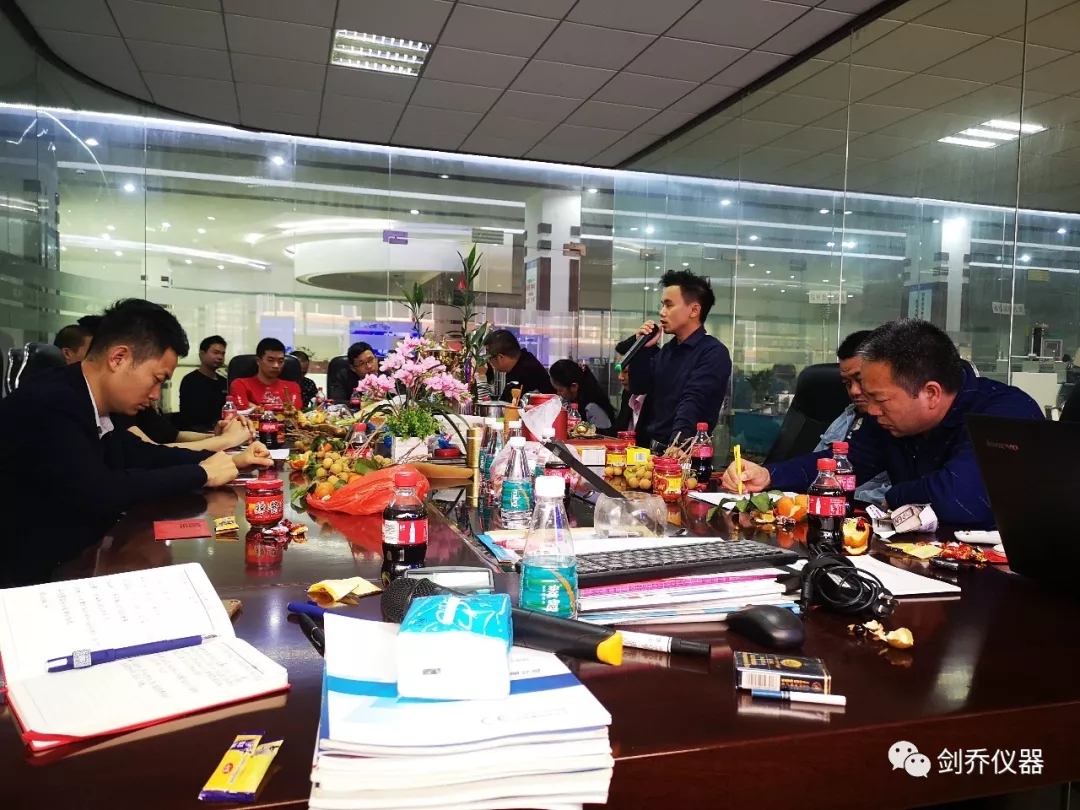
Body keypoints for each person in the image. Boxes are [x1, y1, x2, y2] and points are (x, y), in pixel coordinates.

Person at [0, 298, 272, 587]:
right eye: (156, 379)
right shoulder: (51, 402)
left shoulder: (90, 400)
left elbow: (139, 454)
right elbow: (100, 490)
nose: (155, 395)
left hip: (72, 560)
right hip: (31, 583)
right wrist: (202, 473)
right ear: (119, 358)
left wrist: (229, 462)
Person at [721, 319, 1043, 528]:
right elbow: (842, 465)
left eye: (880, 399)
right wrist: (768, 475)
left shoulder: (1004, 414)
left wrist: (892, 496)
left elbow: (958, 500)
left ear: (930, 393)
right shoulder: (889, 420)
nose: (871, 410)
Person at [625, 269, 731, 447]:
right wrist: (642, 350)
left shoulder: (713, 353)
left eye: (669, 305)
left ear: (694, 310)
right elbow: (639, 386)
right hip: (654, 447)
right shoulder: (668, 351)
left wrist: (678, 445)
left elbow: (694, 400)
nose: (662, 312)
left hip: (684, 451)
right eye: (662, 305)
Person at [811, 330, 890, 505]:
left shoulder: (893, 423)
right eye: (847, 383)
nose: (854, 391)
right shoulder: (848, 415)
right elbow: (818, 469)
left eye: (860, 380)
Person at [481, 329, 554, 402]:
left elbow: (508, 405)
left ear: (500, 357)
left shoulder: (525, 372)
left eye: (489, 358)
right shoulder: (522, 360)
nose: (489, 361)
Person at [229, 337, 302, 410]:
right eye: (270, 360)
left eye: (280, 361)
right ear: (258, 361)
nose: (276, 366)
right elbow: (242, 409)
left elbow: (293, 411)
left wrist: (254, 407)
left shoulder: (292, 387)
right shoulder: (240, 384)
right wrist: (280, 408)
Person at [549, 360, 617, 433]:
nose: (558, 394)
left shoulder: (592, 408)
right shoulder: (569, 402)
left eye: (560, 390)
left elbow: (605, 435)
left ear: (574, 387)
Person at [178, 335, 229, 431]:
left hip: (222, 430)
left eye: (223, 354)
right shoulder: (190, 380)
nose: (220, 357)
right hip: (198, 433)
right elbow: (189, 418)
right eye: (216, 353)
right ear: (202, 354)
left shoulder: (224, 382)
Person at [613, 349, 654, 446]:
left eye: (626, 372)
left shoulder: (656, 400)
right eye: (619, 372)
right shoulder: (627, 394)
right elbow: (616, 431)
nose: (620, 377)